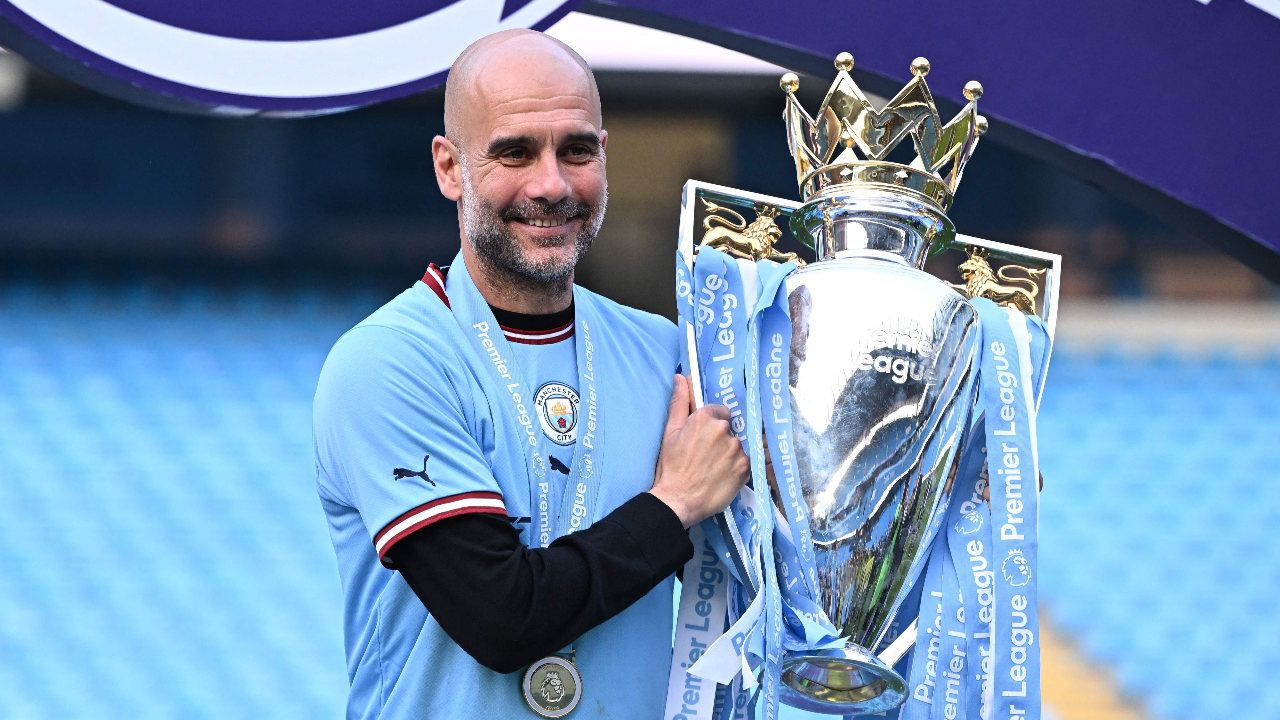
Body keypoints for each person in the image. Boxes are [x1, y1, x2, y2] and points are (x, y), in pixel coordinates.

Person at [312, 29, 750, 720]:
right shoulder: (391, 362)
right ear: (450, 168)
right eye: (515, 152)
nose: (551, 185)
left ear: (603, 155)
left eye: (576, 151)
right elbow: (502, 617)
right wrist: (674, 504)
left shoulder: (668, 353)